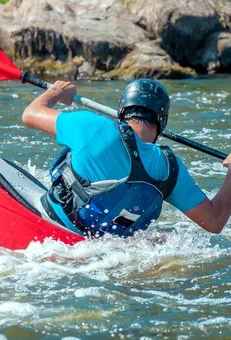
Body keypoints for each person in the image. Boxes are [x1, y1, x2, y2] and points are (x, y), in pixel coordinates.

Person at [22, 78, 231, 237]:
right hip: (106, 250)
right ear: (162, 122)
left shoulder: (94, 127)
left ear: (121, 112)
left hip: (54, 226)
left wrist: (56, 92)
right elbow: (215, 221)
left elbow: (30, 114)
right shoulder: (171, 169)